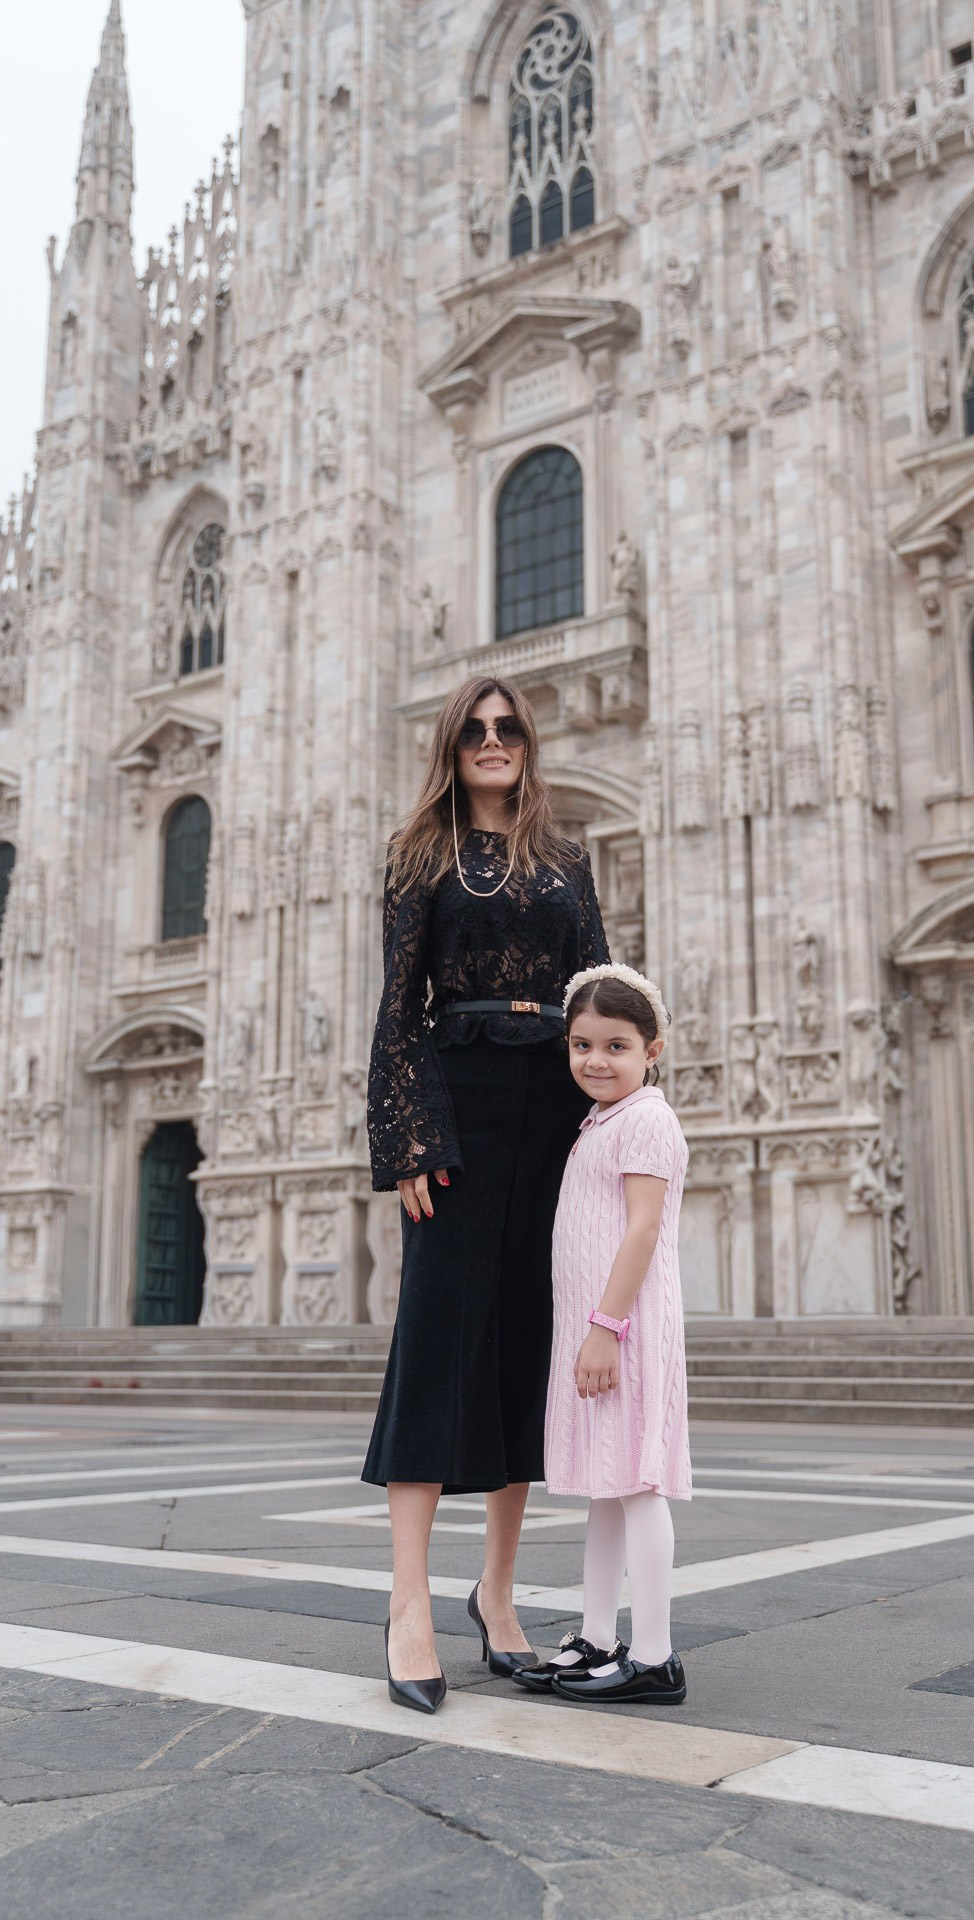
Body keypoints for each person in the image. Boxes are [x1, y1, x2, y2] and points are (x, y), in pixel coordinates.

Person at [364, 675, 610, 1714]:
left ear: (527, 744)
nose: (492, 740)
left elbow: (597, 987)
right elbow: (400, 1002)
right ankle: (408, 1603)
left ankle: (497, 1596)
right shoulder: (417, 856)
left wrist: (624, 1123)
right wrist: (408, 1135)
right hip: (457, 1101)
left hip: (553, 1107)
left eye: (507, 728)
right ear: (451, 745)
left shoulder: (564, 858)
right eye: (474, 729)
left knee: (523, 1351)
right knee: (434, 1342)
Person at [515, 963, 691, 1706]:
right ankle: (594, 1636)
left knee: (639, 1484)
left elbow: (644, 1229)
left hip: (624, 1327)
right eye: (581, 1044)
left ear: (652, 1049)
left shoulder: (647, 1116)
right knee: (606, 1489)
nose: (594, 1060)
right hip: (597, 1328)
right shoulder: (602, 1120)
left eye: (615, 1046)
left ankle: (654, 1657)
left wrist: (606, 1330)